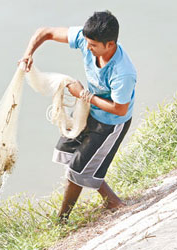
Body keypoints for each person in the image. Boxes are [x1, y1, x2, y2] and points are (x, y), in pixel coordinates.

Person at [19, 10, 137, 221]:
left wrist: (84, 95)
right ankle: (112, 201)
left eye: (93, 46)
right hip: (89, 109)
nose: (88, 48)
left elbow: (119, 109)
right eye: (87, 43)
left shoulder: (123, 72)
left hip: (111, 123)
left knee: (76, 171)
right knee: (66, 153)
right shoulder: (86, 40)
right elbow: (44, 32)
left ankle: (61, 221)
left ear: (109, 44)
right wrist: (29, 54)